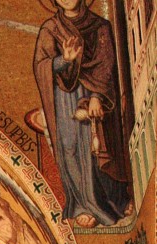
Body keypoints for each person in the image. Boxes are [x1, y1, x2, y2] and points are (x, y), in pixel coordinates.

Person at [33, 0, 131, 228]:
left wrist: (97, 95)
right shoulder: (51, 28)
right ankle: (81, 205)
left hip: (95, 97)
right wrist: (64, 60)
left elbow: (106, 66)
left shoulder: (100, 26)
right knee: (70, 147)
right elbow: (41, 65)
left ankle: (112, 201)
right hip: (65, 100)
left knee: (96, 148)